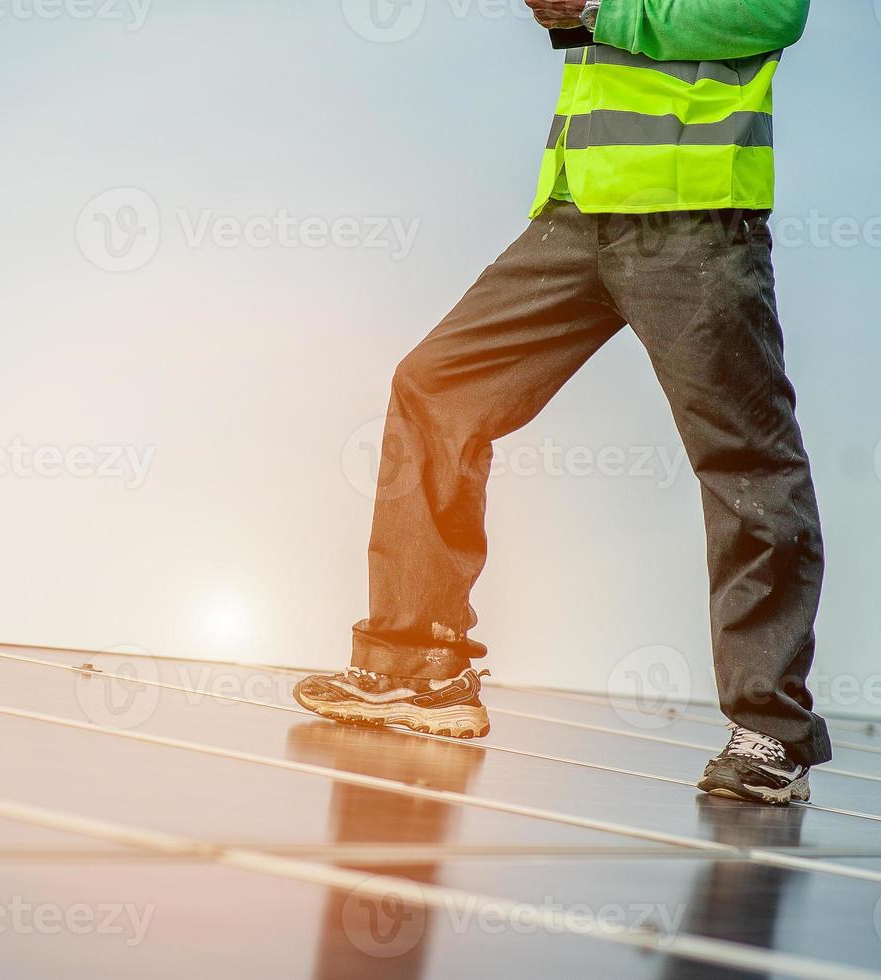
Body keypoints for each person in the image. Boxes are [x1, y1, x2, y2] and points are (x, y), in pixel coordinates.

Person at [294, 0, 829, 805]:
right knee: (435, 387)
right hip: (578, 214)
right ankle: (417, 670)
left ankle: (771, 732)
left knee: (747, 464)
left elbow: (764, 14)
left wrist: (601, 7)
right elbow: (596, 37)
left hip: (695, 222)